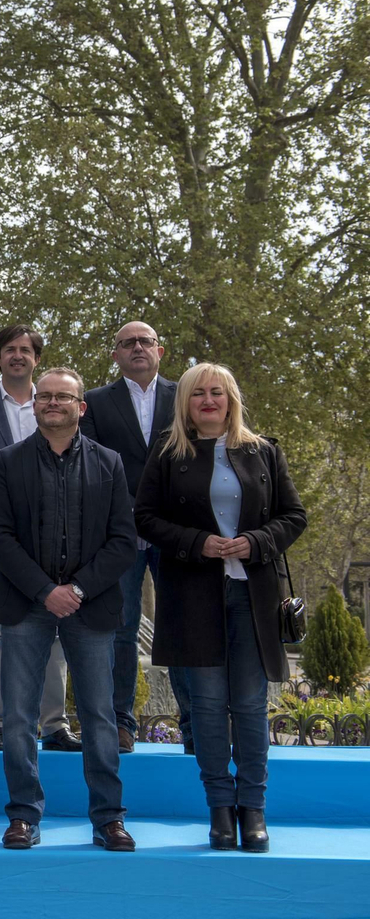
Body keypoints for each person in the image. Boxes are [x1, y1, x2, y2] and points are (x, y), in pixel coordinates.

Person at [136, 363, 306, 853]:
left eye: (217, 393)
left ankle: (253, 808)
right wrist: (196, 543)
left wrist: (254, 541)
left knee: (250, 705)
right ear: (185, 403)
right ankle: (219, 809)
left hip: (253, 598)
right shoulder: (169, 454)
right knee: (208, 708)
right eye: (198, 395)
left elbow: (295, 516)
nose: (208, 401)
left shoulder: (262, 451)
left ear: (231, 398)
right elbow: (144, 517)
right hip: (193, 597)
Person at [0, 368, 137, 852]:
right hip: (27, 605)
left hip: (89, 606)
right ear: (34, 406)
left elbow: (123, 540)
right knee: (18, 718)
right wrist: (44, 591)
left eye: (63, 397)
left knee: (98, 715)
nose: (53, 403)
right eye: (45, 396)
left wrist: (77, 589)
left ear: (81, 407)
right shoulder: (7, 462)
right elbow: (0, 537)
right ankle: (24, 817)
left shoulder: (110, 463)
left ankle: (109, 818)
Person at [0, 324, 77, 752]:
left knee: (57, 629)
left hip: (57, 540)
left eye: (26, 349)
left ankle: (53, 724)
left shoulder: (60, 405)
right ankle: (3, 722)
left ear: (37, 358)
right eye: (10, 349)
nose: (18, 356)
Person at [79, 321, 192, 752]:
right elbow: (91, 463)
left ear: (160, 350)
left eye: (146, 342)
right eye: (128, 344)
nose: (138, 348)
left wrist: (162, 515)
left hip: (177, 532)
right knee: (122, 629)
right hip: (120, 534)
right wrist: (128, 513)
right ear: (116, 355)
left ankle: (193, 721)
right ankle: (120, 722)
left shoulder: (186, 396)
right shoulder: (94, 403)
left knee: (181, 627)